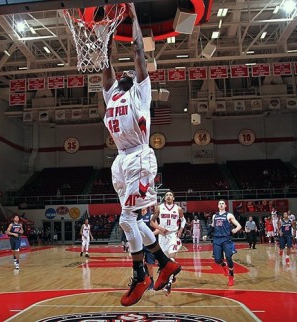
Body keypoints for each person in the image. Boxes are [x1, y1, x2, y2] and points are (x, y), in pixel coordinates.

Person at [101, 3, 181, 307]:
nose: (123, 73)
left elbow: (138, 52)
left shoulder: (141, 91)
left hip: (139, 156)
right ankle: (165, 262)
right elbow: (105, 64)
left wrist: (132, 17)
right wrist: (107, 32)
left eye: (128, 73)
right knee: (132, 220)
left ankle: (141, 275)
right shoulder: (112, 94)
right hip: (120, 160)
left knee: (127, 219)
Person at [151, 190, 185, 295]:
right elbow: (152, 222)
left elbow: (183, 220)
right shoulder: (159, 208)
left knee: (171, 257)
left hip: (173, 235)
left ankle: (169, 283)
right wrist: (160, 228)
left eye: (170, 195)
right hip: (162, 236)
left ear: (173, 198)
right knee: (164, 262)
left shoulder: (178, 209)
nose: (168, 196)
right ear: (164, 198)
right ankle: (171, 276)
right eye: (167, 195)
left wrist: (180, 230)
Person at [204, 200, 242, 286]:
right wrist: (206, 235)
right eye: (219, 204)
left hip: (226, 239)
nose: (221, 205)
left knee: (228, 257)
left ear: (225, 206)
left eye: (222, 204)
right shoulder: (215, 216)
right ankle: (224, 266)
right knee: (217, 260)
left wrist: (235, 230)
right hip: (216, 239)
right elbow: (212, 227)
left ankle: (231, 276)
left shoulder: (229, 215)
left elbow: (239, 225)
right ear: (218, 206)